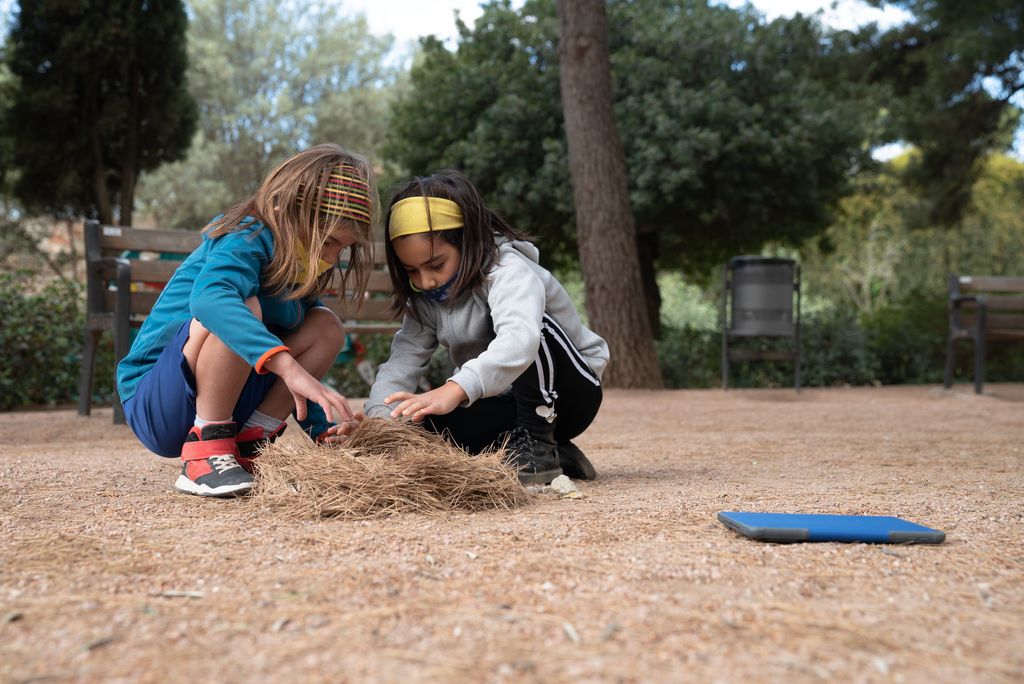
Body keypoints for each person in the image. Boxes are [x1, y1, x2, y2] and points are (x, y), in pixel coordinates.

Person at [116, 144, 375, 497]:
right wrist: (287, 366)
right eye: (327, 241)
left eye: (341, 248)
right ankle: (206, 447)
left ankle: (250, 444)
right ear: (286, 211)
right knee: (242, 306)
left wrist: (325, 428)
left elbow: (302, 373)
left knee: (325, 326)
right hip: (158, 403)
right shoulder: (246, 236)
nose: (331, 258)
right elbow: (211, 299)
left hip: (231, 393)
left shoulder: (298, 269)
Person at [358, 170, 609, 485]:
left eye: (435, 265)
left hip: (568, 395)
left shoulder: (508, 270)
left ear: (469, 243)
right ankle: (550, 451)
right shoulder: (426, 297)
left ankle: (540, 442)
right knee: (422, 425)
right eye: (412, 270)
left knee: (533, 329)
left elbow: (520, 341)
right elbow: (401, 361)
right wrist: (381, 425)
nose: (425, 281)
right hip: (502, 402)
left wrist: (456, 388)